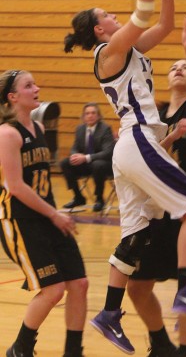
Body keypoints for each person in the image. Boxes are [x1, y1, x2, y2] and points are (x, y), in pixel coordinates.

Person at [63, 0, 186, 355]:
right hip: (136, 138)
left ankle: (109, 312)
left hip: (139, 144)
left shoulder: (129, 49)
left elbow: (164, 25)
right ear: (99, 30)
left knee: (136, 237)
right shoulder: (108, 52)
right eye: (107, 15)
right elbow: (142, 12)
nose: (115, 17)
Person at [127, 15, 186, 357]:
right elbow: (148, 156)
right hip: (157, 209)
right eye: (175, 67)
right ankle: (162, 343)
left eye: (185, 67)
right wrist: (172, 136)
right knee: (137, 286)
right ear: (164, 79)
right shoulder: (155, 116)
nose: (179, 69)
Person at [0, 69, 88, 357]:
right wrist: (54, 214)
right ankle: (20, 348)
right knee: (53, 289)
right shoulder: (7, 134)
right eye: (28, 86)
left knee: (80, 283)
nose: (36, 88)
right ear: (13, 97)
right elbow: (16, 186)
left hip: (46, 214)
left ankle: (72, 352)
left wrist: (54, 212)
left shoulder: (38, 130)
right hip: (19, 219)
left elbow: (42, 182)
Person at [60, 102, 115, 212]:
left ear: (99, 116)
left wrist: (86, 157)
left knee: (97, 164)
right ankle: (78, 197)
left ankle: (99, 199)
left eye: (93, 113)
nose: (90, 116)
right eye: (87, 113)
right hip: (86, 164)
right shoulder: (80, 129)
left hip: (104, 165)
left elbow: (108, 152)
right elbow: (74, 147)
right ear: (83, 117)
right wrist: (75, 155)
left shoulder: (105, 129)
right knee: (65, 163)